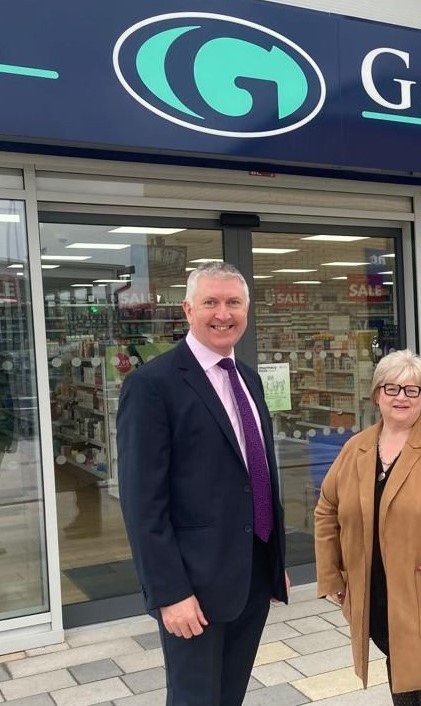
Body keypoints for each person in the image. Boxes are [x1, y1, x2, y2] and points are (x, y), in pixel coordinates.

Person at [117, 262, 290, 706]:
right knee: (195, 698)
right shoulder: (152, 386)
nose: (223, 313)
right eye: (210, 302)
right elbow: (142, 505)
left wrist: (273, 561)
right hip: (193, 586)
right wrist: (170, 593)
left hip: (250, 575)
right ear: (188, 309)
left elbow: (257, 474)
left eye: (233, 302)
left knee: (230, 695)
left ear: (246, 310)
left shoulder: (249, 379)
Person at [315, 349, 421, 706]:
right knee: (402, 677)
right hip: (377, 594)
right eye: (392, 388)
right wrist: (332, 575)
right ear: (377, 394)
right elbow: (327, 508)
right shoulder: (356, 449)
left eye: (412, 390)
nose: (401, 398)